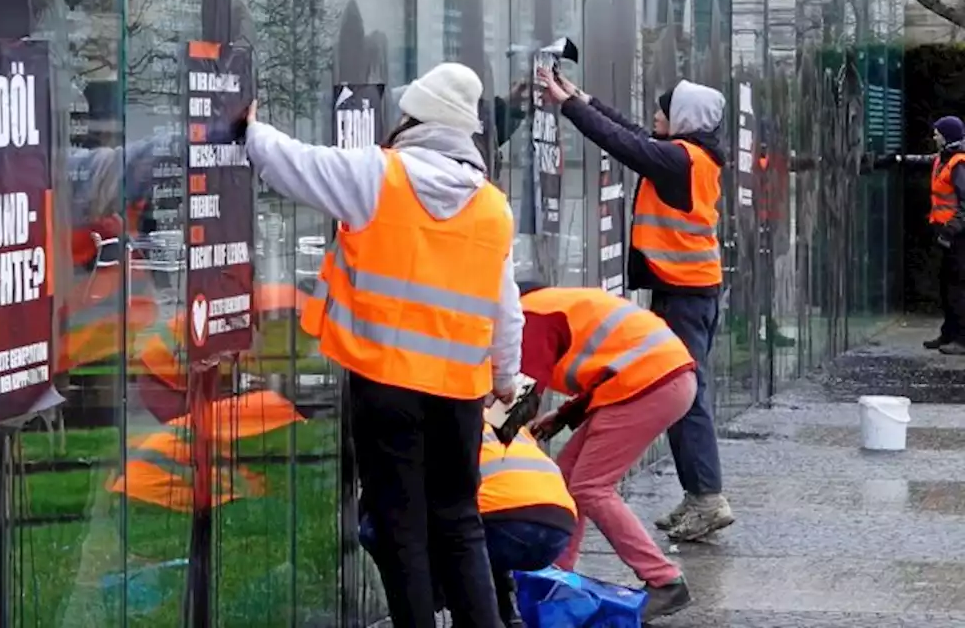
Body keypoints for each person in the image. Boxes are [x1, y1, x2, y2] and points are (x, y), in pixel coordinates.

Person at [241, 62, 525, 628]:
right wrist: (505, 376)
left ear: (413, 118)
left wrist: (250, 130)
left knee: (400, 525)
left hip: (386, 386)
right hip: (459, 397)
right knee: (459, 521)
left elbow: (298, 166)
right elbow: (505, 305)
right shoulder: (493, 206)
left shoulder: (380, 177)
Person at [535, 67, 733, 543]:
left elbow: (622, 143)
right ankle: (698, 495)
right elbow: (630, 132)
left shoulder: (681, 160)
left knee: (685, 394)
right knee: (686, 390)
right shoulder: (689, 155)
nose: (655, 117)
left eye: (662, 111)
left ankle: (707, 497)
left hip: (685, 293)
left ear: (682, 119)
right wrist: (583, 97)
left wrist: (569, 107)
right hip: (690, 289)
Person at [518, 284, 698, 622]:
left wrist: (497, 436)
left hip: (649, 383)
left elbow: (523, 396)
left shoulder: (529, 315)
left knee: (589, 486)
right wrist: (565, 416)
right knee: (567, 475)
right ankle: (555, 572)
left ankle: (664, 580)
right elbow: (612, 366)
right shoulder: (554, 303)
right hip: (658, 379)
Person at [359, 419, 575, 626]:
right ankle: (505, 612)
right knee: (480, 535)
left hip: (502, 523)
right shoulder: (495, 421)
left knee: (380, 528)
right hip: (559, 530)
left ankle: (441, 604)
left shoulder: (435, 425)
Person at [875, 116, 965, 353]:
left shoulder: (959, 164)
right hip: (947, 233)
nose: (934, 137)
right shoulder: (943, 160)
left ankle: (962, 340)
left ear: (947, 137)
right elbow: (924, 160)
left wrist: (951, 230)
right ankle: (949, 334)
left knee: (958, 286)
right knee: (946, 285)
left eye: (937, 133)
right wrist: (896, 159)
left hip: (958, 237)